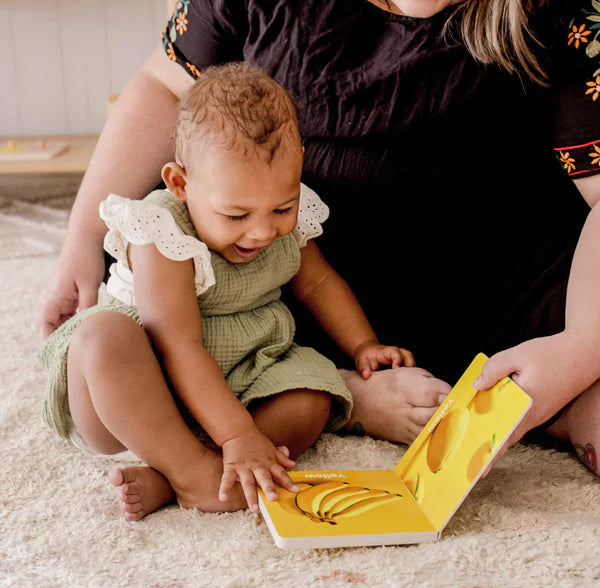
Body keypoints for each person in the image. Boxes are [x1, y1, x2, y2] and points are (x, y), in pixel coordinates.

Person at [40, 0, 600, 475]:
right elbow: (166, 85)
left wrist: (580, 348)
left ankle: (510, 396)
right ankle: (339, 394)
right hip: (281, 307)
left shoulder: (563, 12)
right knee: (137, 354)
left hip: (499, 292)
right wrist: (84, 235)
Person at [38, 62, 434, 520]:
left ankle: (181, 478)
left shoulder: (281, 213)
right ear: (181, 184)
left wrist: (363, 344)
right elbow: (178, 345)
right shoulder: (161, 231)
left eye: (282, 208)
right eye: (236, 215)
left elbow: (319, 282)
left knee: (311, 398)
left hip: (240, 373)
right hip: (136, 394)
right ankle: (189, 470)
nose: (263, 231)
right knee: (102, 336)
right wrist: (237, 435)